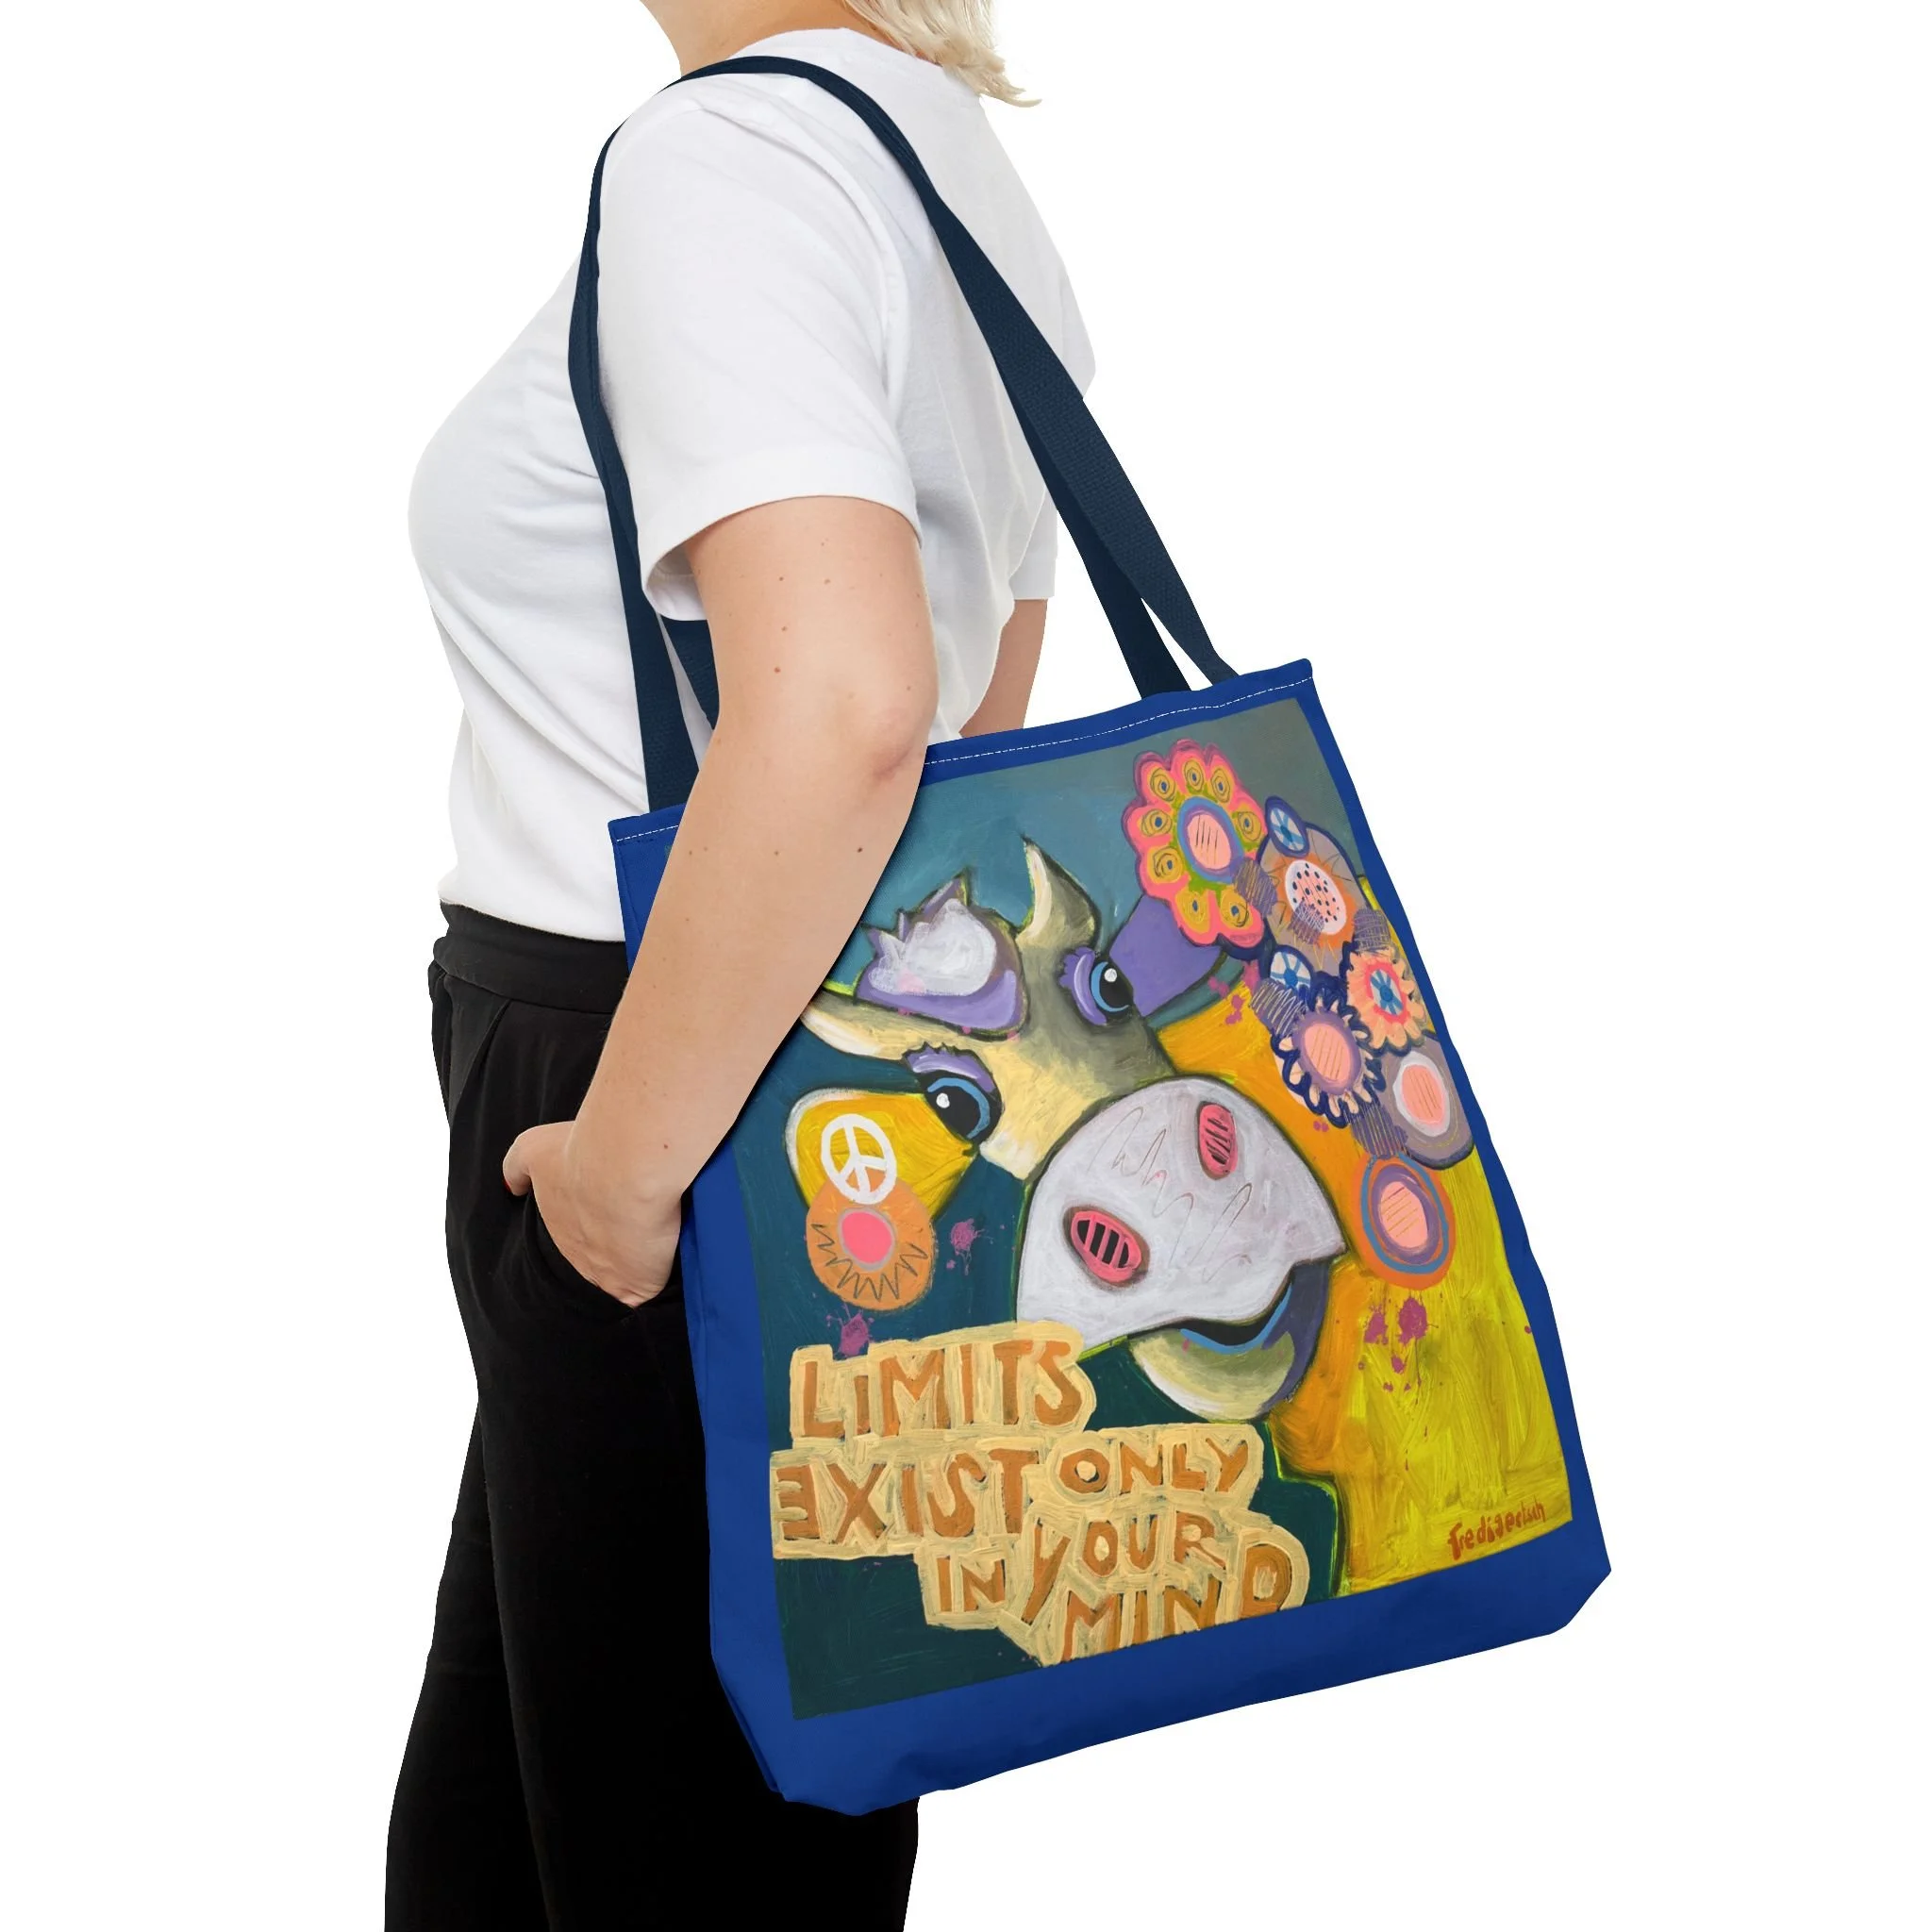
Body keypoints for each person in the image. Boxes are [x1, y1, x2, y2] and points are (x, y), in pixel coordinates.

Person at [387, 4, 1092, 1924]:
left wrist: (621, 1181)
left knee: (667, 1855)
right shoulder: (939, 155)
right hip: (788, 1059)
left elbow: (856, 707)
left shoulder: (730, 161)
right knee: (552, 1832)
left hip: (653, 1086)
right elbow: (981, 714)